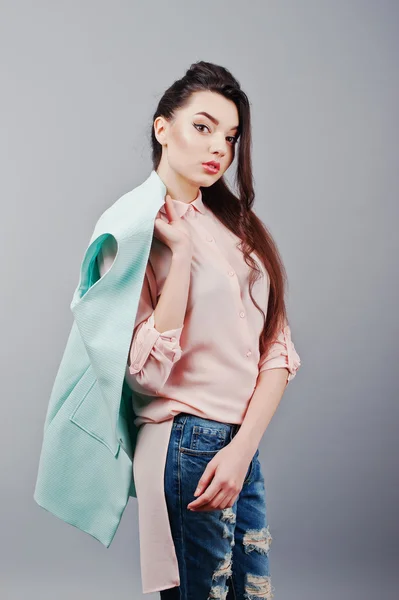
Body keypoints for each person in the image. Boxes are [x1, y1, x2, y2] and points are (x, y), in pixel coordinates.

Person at [98, 60, 301, 600]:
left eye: (231, 136)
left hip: (238, 446)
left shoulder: (236, 227)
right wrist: (181, 256)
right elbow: (142, 373)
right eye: (203, 127)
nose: (220, 148)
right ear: (162, 128)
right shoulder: (130, 230)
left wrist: (243, 447)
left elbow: (277, 351)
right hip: (184, 440)